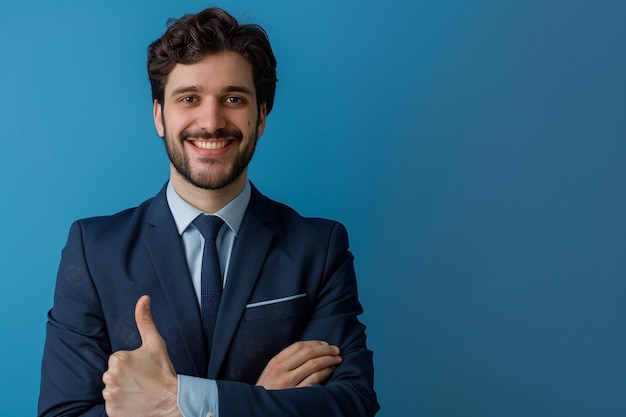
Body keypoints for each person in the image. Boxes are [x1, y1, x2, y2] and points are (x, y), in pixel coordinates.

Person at [38, 7, 378, 417]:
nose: (211, 121)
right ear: (159, 116)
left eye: (233, 98)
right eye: (189, 98)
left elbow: (351, 405)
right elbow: (64, 414)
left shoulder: (319, 248)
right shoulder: (94, 251)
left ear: (261, 116)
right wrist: (260, 399)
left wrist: (179, 400)